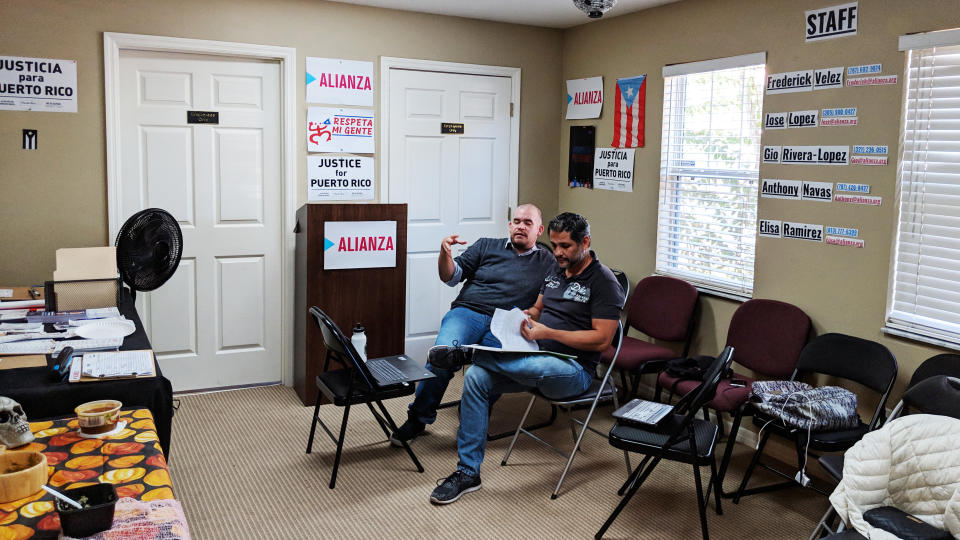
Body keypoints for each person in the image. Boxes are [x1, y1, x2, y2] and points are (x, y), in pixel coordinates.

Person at [426, 212, 625, 505]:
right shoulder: (557, 271)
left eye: (565, 246)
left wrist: (550, 332)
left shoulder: (604, 281)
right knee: (477, 378)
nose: (557, 252)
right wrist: (524, 319)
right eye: (554, 245)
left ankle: (467, 354)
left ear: (585, 242)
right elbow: (537, 309)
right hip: (535, 355)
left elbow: (602, 339)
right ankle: (468, 472)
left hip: (572, 370)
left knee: (503, 363)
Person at [390, 204, 559, 446]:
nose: (521, 226)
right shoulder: (486, 245)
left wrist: (533, 316)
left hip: (506, 322)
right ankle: (418, 418)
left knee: (491, 369)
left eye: (528, 223)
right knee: (441, 356)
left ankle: (472, 415)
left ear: (539, 230)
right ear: (510, 225)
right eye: (517, 221)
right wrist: (444, 253)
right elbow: (450, 276)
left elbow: (553, 298)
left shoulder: (548, 262)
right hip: (467, 313)